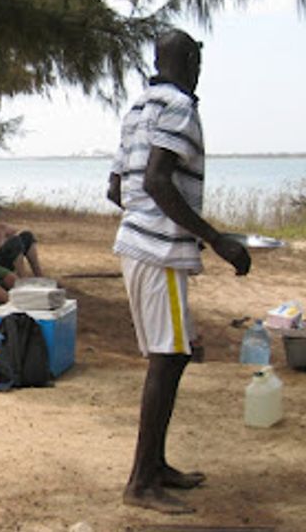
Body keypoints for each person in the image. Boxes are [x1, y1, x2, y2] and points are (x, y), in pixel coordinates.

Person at [107, 29, 251, 515]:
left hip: (138, 245)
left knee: (176, 353)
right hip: (161, 252)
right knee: (167, 359)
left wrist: (142, 215)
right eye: (197, 62)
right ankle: (141, 482)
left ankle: (157, 465)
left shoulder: (136, 111)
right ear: (189, 61)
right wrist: (218, 239)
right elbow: (157, 179)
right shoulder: (181, 108)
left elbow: (117, 188)